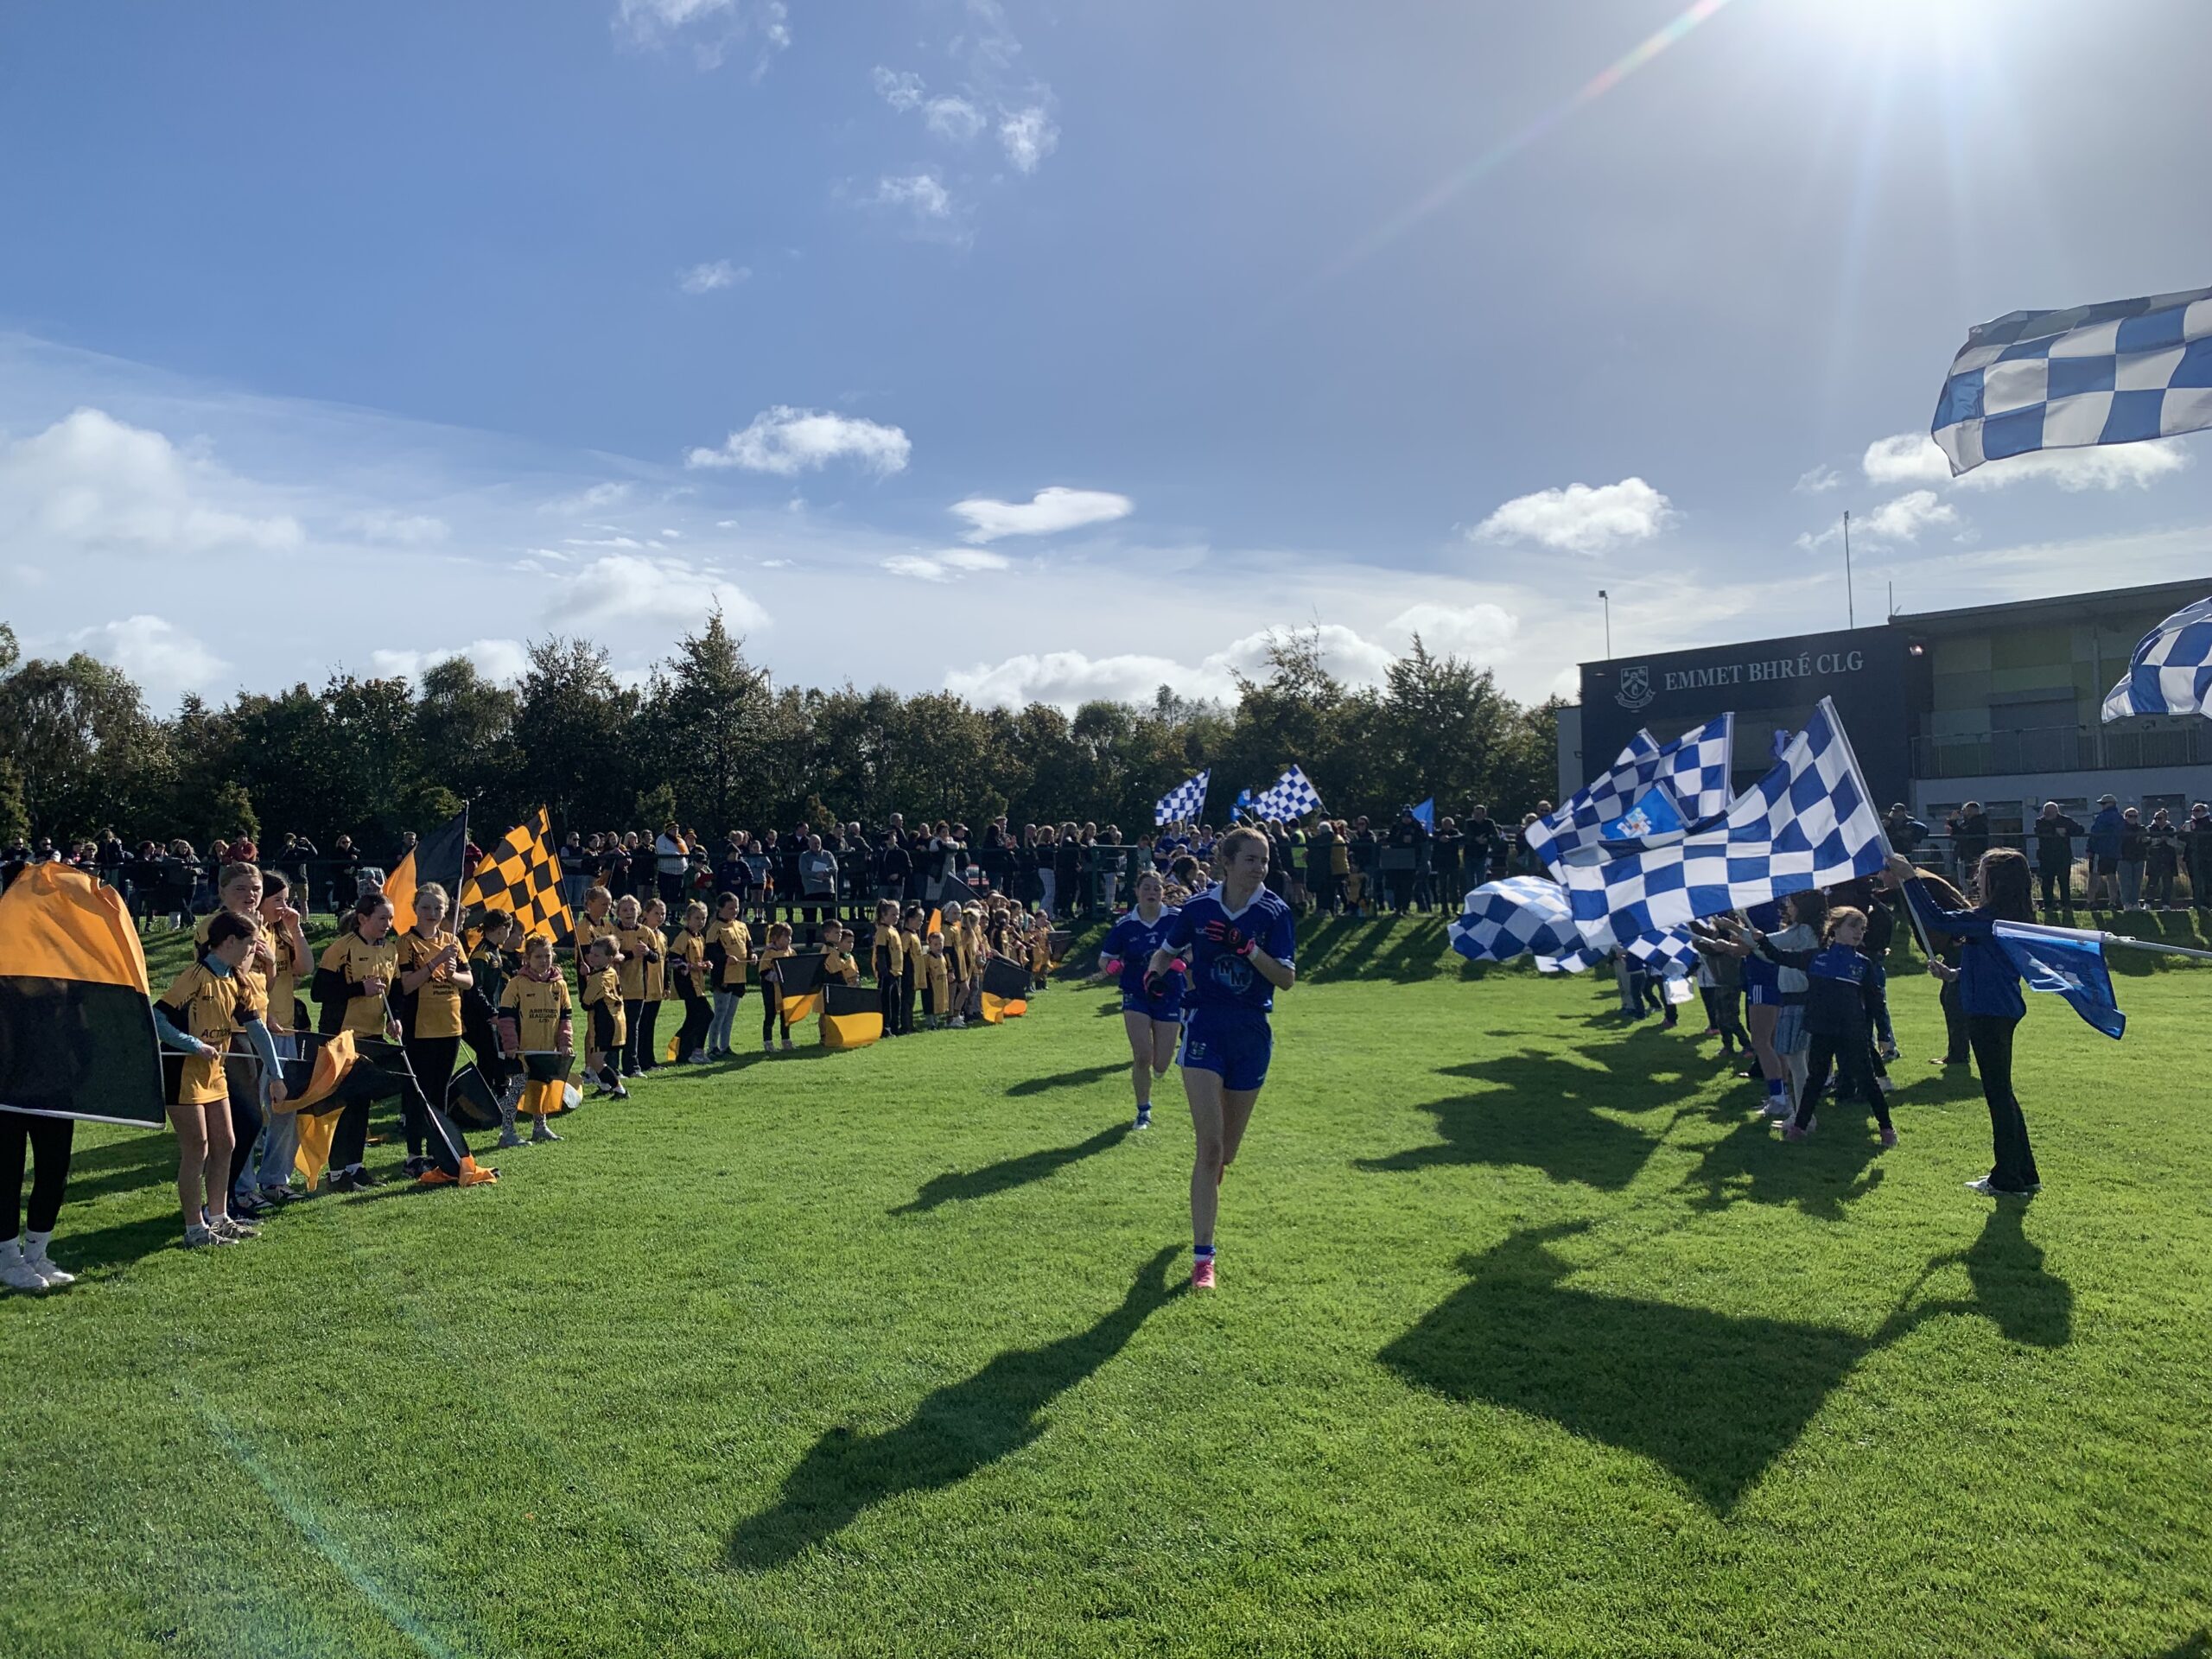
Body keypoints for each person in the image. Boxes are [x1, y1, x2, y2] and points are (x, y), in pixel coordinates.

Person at [1147, 825, 1295, 1291]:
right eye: (1251, 859)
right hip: (1205, 1026)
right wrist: (1155, 977)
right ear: (1226, 863)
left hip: (1251, 1033)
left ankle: (1208, 1188)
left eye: (1265, 860)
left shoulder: (1275, 912)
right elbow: (1164, 954)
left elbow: (1286, 979)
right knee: (1209, 1148)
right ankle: (1203, 1258)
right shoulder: (1197, 909)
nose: (1260, 867)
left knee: (1227, 1153)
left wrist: (1247, 947)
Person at [1892, 849, 2040, 1196]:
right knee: (2002, 1092)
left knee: (1998, 1095)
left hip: (1990, 1013)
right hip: (1998, 1008)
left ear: (1996, 881)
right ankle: (2025, 1173)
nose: (1977, 880)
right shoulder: (2002, 919)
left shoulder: (1991, 920)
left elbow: (1939, 919)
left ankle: (2007, 1179)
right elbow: (1992, 965)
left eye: (1982, 874)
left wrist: (1910, 879)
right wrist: (1955, 974)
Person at [152, 911, 281, 1246]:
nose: (253, 950)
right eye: (250, 943)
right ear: (230, 942)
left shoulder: (236, 979)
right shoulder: (196, 975)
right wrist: (193, 1044)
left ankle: (219, 1218)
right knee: (198, 1147)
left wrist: (277, 1075)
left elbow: (257, 1029)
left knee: (226, 1143)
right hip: (184, 1072)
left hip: (214, 1073)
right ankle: (195, 1229)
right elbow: (157, 1017)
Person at [1757, 906, 1897, 1148]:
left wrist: (1884, 1034)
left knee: (1867, 1080)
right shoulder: (1816, 957)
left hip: (1853, 1031)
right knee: (1815, 1080)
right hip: (1822, 1029)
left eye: (1862, 929)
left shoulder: (1862, 964)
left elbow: (1876, 1002)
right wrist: (1762, 941)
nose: (1859, 933)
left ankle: (1887, 1129)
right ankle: (1800, 1127)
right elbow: (1782, 958)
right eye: (1853, 927)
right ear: (1835, 928)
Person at [315, 893, 402, 1192]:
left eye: (391, 918)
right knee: (344, 1105)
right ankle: (337, 1173)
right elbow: (319, 991)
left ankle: (356, 1166)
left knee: (362, 1102)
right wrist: (358, 988)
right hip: (342, 1037)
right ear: (363, 919)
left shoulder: (390, 949)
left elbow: (395, 992)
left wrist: (395, 1018)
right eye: (382, 918)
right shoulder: (341, 949)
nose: (388, 924)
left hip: (373, 1035)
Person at [392, 882, 472, 1179]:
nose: (432, 913)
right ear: (415, 909)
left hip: (450, 1026)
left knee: (441, 1091)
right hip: (419, 1027)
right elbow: (406, 985)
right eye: (426, 907)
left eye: (438, 908)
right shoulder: (406, 943)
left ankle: (437, 1150)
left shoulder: (452, 940)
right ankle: (414, 1155)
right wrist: (436, 962)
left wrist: (453, 975)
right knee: (419, 1093)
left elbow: (468, 981)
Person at [1101, 871, 1184, 1129]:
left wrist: (1184, 961)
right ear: (1137, 891)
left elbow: (1195, 947)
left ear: (1163, 892)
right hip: (1136, 993)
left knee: (1160, 1064)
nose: (1152, 892)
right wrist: (1111, 967)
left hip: (1170, 993)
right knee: (1142, 1055)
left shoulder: (1176, 918)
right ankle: (1143, 1111)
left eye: (1156, 888)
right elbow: (1104, 958)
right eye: (1146, 888)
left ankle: (1159, 1068)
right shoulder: (1125, 924)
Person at [497, 935, 572, 1144]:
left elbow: (565, 1018)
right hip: (522, 1051)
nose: (544, 960)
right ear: (527, 958)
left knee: (541, 1088)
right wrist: (511, 1045)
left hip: (546, 1049)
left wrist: (565, 1043)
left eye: (547, 956)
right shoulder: (517, 984)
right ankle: (507, 1132)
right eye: (538, 956)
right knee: (517, 1090)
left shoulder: (560, 985)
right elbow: (506, 1018)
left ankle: (540, 1128)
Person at [578, 937, 630, 1099]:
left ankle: (620, 1090)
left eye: (597, 955)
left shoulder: (598, 979)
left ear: (609, 958)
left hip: (606, 1023)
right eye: (591, 953)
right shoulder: (610, 971)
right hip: (616, 1019)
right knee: (597, 1058)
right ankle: (605, 1086)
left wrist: (584, 978)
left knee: (596, 1060)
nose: (591, 957)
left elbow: (586, 1003)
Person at [705, 893, 753, 1058]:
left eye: (736, 907)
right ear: (720, 908)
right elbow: (711, 952)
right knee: (720, 1013)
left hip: (739, 976)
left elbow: (749, 945)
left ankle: (725, 1046)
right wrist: (726, 958)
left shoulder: (742, 926)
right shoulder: (715, 928)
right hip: (723, 976)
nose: (735, 911)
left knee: (730, 1014)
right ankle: (712, 1047)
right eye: (730, 908)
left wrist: (752, 955)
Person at [670, 899, 714, 1063]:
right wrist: (690, 967)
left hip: (697, 982)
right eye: (697, 918)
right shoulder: (684, 936)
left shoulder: (700, 937)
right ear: (687, 919)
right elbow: (673, 958)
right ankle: (697, 1051)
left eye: (703, 918)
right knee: (707, 1014)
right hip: (687, 983)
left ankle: (683, 1053)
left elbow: (699, 959)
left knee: (693, 1017)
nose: (701, 922)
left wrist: (705, 965)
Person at [634, 896, 671, 1072]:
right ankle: (642, 1060)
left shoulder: (662, 936)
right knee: (643, 1026)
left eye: (663, 914)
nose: (660, 917)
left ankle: (650, 1059)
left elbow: (666, 962)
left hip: (658, 985)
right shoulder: (642, 933)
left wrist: (667, 985)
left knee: (651, 1025)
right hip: (644, 985)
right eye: (656, 913)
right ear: (646, 914)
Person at [2031, 802, 2083, 917]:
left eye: (2050, 812)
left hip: (2063, 857)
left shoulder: (2066, 820)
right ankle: (2048, 906)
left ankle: (2066, 906)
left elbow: (2080, 830)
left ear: (2056, 811)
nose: (2047, 814)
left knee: (2064, 882)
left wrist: (2066, 831)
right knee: (2047, 883)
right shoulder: (2040, 822)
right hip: (2046, 857)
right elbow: (2040, 831)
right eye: (2046, 812)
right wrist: (2056, 831)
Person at [758, 922, 798, 1053]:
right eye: (785, 936)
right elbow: (764, 972)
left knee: (786, 1015)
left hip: (785, 990)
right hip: (771, 989)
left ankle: (786, 1040)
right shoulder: (769, 953)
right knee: (770, 1014)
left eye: (790, 936)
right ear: (775, 938)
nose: (789, 939)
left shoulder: (791, 952)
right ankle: (768, 1042)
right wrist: (779, 977)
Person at [872, 899, 906, 1038]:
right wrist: (884, 972)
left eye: (897, 914)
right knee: (886, 1002)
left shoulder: (893, 930)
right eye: (893, 914)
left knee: (895, 1001)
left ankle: (894, 1026)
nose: (896, 917)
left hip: (897, 971)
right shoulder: (882, 931)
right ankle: (885, 1028)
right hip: (888, 973)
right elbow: (881, 952)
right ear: (883, 915)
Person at [2085, 794, 2123, 910]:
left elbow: (2095, 833)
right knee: (2111, 877)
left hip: (2099, 851)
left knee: (2094, 877)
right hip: (2113, 852)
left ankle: (2090, 901)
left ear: (2111, 804)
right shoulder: (2119, 818)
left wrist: (2090, 848)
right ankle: (2112, 902)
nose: (2102, 806)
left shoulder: (2102, 817)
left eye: (2103, 803)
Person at [2144, 808, 2183, 910]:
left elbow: (2176, 844)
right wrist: (2159, 840)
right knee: (2152, 882)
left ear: (2165, 818)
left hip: (2168, 859)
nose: (2157, 820)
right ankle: (2148, 903)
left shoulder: (2172, 829)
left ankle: (2166, 904)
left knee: (2168, 883)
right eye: (2155, 818)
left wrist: (2168, 840)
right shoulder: (2149, 829)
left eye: (2160, 818)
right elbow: (2147, 843)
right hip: (2154, 859)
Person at [2117, 806, 2147, 911]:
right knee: (2126, 882)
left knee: (2137, 883)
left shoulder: (2141, 828)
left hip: (2139, 858)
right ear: (2125, 817)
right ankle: (2126, 903)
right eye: (2130, 816)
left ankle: (2135, 903)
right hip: (2124, 858)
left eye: (2135, 816)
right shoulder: (2120, 828)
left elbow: (2146, 841)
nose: (2133, 818)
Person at [2189, 803, 2212, 913]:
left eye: (2197, 811)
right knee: (2195, 881)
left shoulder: (2209, 824)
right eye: (2193, 811)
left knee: (2207, 881)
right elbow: (2184, 838)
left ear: (2204, 812)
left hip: (2207, 857)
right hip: (2192, 856)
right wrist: (2185, 831)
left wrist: (2195, 829)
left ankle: (2207, 903)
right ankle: (2197, 903)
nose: (2194, 813)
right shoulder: (2190, 823)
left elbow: (2205, 838)